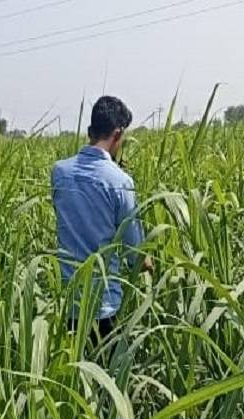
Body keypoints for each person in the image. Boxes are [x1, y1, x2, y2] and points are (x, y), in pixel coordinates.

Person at [51, 96, 149, 344]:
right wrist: (149, 264)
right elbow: (134, 253)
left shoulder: (60, 172)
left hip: (70, 303)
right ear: (118, 134)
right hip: (104, 306)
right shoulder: (120, 182)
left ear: (89, 132)